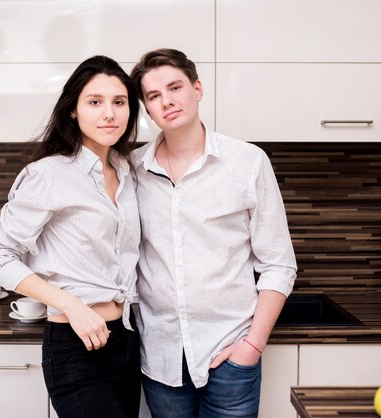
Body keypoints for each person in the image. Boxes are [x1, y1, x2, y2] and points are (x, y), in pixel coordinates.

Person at [129, 48, 298, 418]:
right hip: (160, 360)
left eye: (175, 87)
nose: (167, 101)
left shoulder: (248, 163)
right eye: (154, 96)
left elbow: (279, 264)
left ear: (197, 89)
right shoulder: (132, 170)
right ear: (146, 108)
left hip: (231, 353)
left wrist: (252, 346)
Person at [0, 55, 142, 418]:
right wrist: (71, 305)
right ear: (73, 110)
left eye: (119, 102)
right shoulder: (49, 175)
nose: (109, 114)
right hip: (75, 346)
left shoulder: (127, 171)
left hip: (127, 341)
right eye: (95, 102)